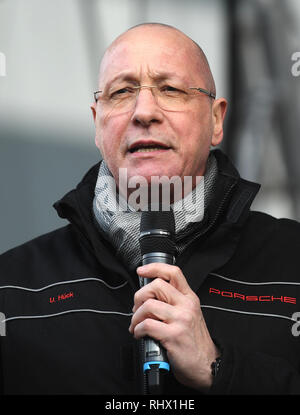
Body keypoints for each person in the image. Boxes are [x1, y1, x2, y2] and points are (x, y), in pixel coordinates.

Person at [0, 22, 300, 396]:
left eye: (170, 89)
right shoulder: (12, 289)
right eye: (122, 92)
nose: (144, 112)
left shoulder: (292, 263)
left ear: (216, 119)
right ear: (97, 124)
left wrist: (218, 368)